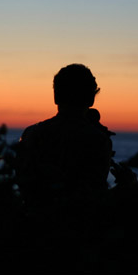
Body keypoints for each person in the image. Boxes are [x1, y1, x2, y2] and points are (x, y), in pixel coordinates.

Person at [16, 64, 115, 206]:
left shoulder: (31, 133)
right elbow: (93, 198)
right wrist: (126, 188)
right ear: (91, 99)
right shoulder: (97, 139)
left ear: (56, 96)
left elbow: (24, 184)